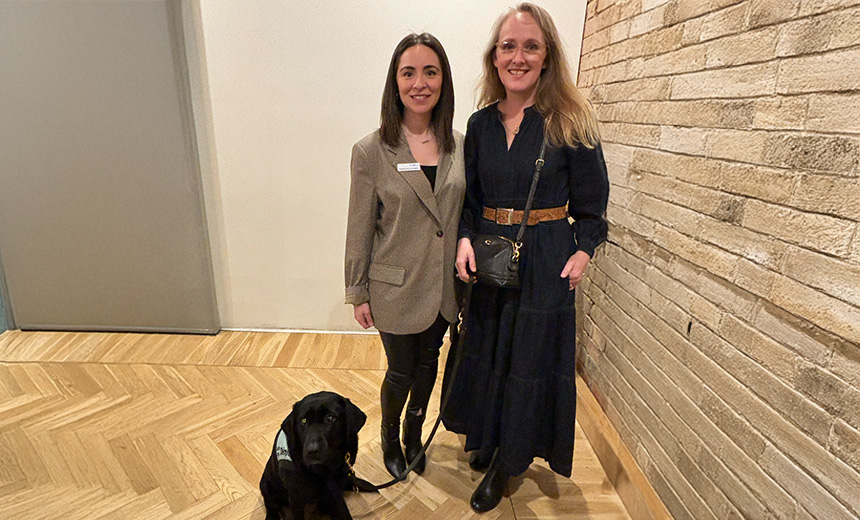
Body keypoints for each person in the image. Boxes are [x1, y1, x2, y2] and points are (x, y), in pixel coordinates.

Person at [442, 3, 609, 512]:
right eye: (508, 46)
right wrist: (466, 237)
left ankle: (507, 462)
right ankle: (487, 437)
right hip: (493, 256)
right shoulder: (479, 124)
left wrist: (583, 252)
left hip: (546, 259)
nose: (518, 56)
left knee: (528, 360)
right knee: (491, 349)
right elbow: (469, 200)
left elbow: (592, 205)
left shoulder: (570, 121)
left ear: (547, 56)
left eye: (530, 46)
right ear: (495, 58)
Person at [344, 33, 465, 478]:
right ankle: (390, 436)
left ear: (442, 80)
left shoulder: (460, 145)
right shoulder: (371, 151)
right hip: (393, 287)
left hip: (444, 288)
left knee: (429, 363)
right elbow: (358, 227)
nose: (419, 83)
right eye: (408, 73)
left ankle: (415, 434)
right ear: (395, 83)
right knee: (401, 371)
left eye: (430, 72)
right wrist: (357, 290)